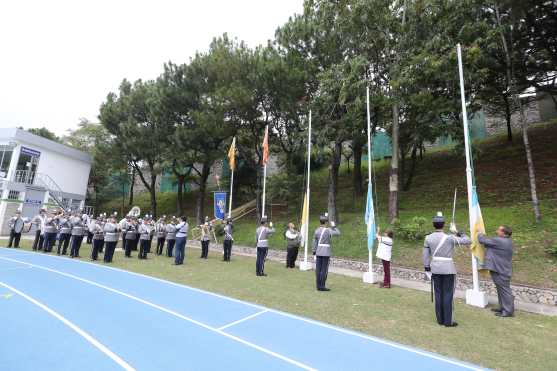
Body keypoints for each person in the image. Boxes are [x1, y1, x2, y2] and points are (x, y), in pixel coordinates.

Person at [423, 212, 471, 327]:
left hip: (435, 268)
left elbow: (425, 255)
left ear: (433, 225)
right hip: (448, 269)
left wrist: (427, 267)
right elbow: (468, 240)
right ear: (443, 225)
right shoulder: (449, 238)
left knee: (438, 294)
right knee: (448, 294)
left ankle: (440, 319)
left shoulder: (428, 237)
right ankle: (448, 321)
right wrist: (457, 232)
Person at [479, 226, 515, 317]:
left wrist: (479, 233)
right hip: (500, 269)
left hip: (501, 270)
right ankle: (503, 307)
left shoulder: (500, 240)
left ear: (503, 232)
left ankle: (508, 311)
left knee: (505, 291)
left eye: (498, 229)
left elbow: (482, 240)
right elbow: (488, 244)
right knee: (500, 290)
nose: (496, 231)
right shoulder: (506, 241)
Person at [312, 213, 340, 291]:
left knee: (318, 269)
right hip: (326, 252)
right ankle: (322, 286)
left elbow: (314, 242)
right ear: (326, 222)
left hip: (318, 251)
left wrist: (314, 251)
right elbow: (338, 233)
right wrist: (334, 226)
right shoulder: (329, 230)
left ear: (320, 222)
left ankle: (318, 285)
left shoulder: (317, 230)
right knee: (324, 269)